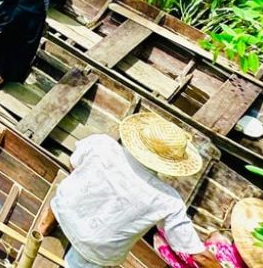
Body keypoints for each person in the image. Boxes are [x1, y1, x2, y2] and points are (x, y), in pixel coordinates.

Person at [45, 113, 222, 268]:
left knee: (67, 192)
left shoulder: (102, 144)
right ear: (173, 163)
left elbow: (73, 164)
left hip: (64, 207)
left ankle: (43, 228)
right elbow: (198, 255)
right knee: (85, 258)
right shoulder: (169, 201)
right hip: (95, 246)